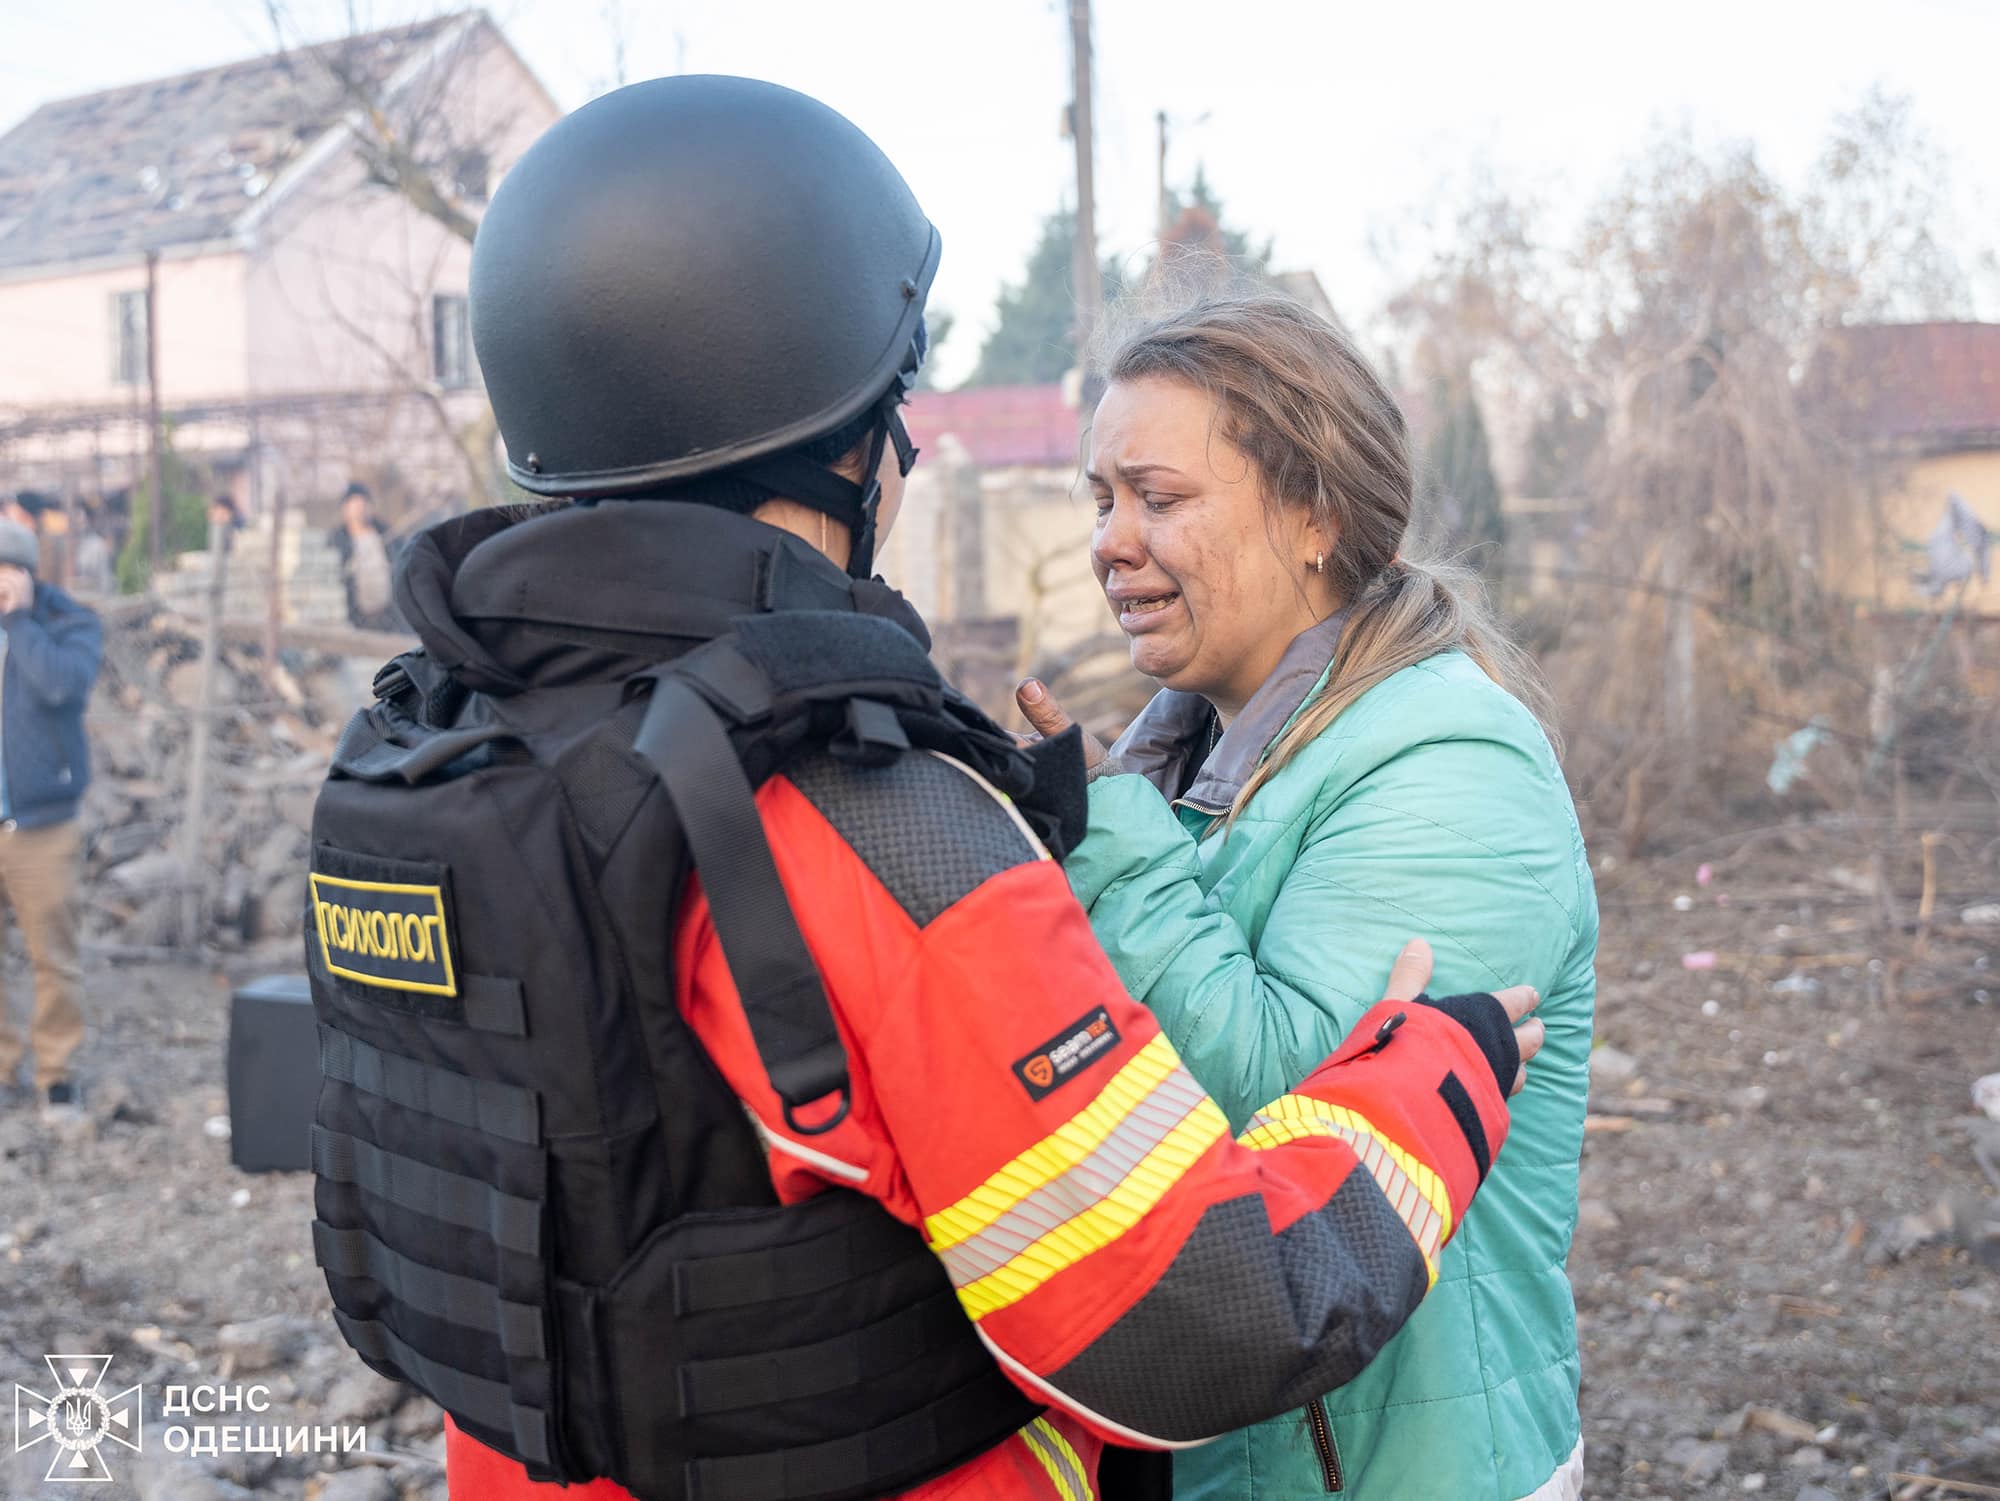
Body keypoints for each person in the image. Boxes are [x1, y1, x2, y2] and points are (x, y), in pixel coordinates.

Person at [308, 77, 1550, 1501]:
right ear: (848, 439)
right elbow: (1201, 1321)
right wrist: (1431, 1073)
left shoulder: (434, 758)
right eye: (892, 413)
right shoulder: (871, 814)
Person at [1015, 295, 1598, 1501]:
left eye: (1157, 496)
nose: (1111, 541)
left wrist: (1101, 836)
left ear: (1314, 511)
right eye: (1100, 498)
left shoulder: (1451, 766)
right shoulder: (1179, 766)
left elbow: (1296, 1142)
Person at [0, 519, 103, 1122]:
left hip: (42, 827)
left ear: (29, 575)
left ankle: (57, 1074)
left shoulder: (69, 625)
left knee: (53, 956)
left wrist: (19, 622)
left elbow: (61, 687)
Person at [326, 481, 402, 631]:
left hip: (388, 617)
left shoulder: (385, 535)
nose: (360, 509)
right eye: (354, 504)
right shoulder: (338, 540)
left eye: (363, 503)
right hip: (353, 618)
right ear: (345, 509)